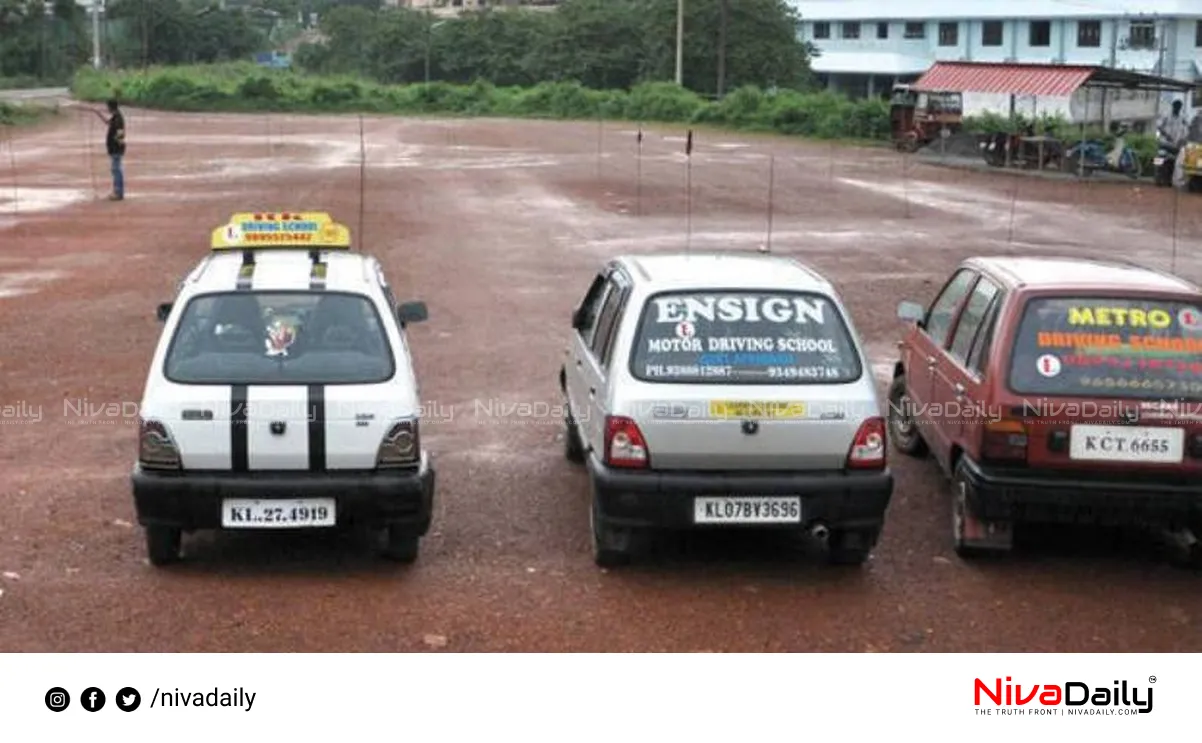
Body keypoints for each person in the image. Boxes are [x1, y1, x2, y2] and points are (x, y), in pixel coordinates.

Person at [91, 99, 125, 201]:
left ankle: (118, 192)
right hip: (115, 148)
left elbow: (120, 134)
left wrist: (117, 141)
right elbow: (108, 123)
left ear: (110, 107)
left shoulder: (118, 118)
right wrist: (98, 113)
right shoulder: (116, 117)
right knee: (115, 169)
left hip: (116, 148)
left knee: (116, 170)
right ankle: (117, 191)